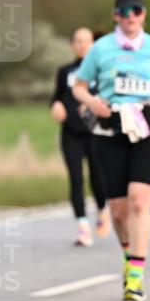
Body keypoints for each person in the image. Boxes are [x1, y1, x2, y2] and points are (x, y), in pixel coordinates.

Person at [71, 0, 150, 301]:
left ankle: (135, 274)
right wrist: (92, 100)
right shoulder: (102, 48)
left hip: (149, 125)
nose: (131, 16)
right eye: (125, 11)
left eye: (137, 11)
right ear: (116, 16)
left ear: (144, 15)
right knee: (119, 212)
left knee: (138, 200)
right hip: (111, 127)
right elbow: (78, 86)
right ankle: (128, 253)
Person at [50, 27, 110, 246]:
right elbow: (57, 96)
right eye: (77, 41)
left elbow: (109, 95)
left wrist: (93, 102)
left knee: (98, 177)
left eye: (86, 41)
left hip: (95, 132)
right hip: (71, 133)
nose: (81, 45)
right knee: (75, 179)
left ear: (94, 44)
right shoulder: (65, 71)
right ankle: (83, 227)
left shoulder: (103, 70)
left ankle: (103, 208)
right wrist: (56, 105)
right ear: (72, 45)